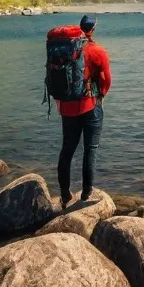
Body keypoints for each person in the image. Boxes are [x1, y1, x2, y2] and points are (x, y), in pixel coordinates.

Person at [56, 14, 111, 206]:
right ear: (93, 29)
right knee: (91, 149)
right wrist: (101, 95)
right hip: (90, 104)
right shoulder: (97, 50)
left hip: (66, 106)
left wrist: (59, 101)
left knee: (67, 149)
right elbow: (106, 79)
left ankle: (64, 193)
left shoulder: (64, 49)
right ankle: (87, 193)